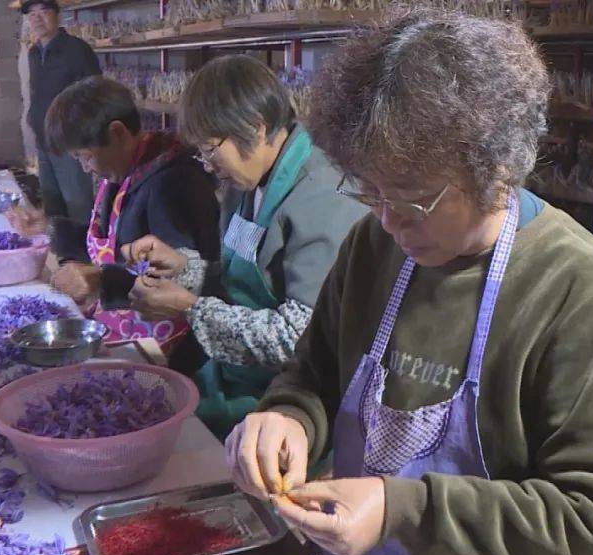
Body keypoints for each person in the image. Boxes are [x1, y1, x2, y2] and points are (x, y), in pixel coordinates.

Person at [224, 9, 593, 555]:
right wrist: (288, 418)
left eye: (414, 200)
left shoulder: (577, 288)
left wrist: (404, 509)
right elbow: (312, 375)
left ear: (496, 169)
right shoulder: (373, 246)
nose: (388, 220)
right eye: (371, 192)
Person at [122, 55, 366, 439]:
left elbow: (299, 340)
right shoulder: (247, 183)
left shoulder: (323, 197)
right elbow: (250, 279)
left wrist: (190, 308)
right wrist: (183, 268)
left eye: (210, 149)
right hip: (236, 378)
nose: (206, 165)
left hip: (287, 407)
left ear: (255, 127)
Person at [35, 76, 219, 354]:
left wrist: (103, 281)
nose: (86, 168)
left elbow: (182, 280)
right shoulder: (126, 172)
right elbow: (113, 245)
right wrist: (49, 229)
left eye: (85, 156)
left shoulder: (173, 185)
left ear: (118, 133)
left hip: (170, 345)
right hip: (129, 325)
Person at [23, 0, 100, 225]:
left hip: (69, 143)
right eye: (32, 15)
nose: (37, 19)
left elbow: (95, 95)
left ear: (57, 15)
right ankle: (61, 253)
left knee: (78, 204)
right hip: (43, 142)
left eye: (44, 12)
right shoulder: (34, 53)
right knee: (52, 203)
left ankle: (85, 255)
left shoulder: (77, 50)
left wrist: (85, 141)